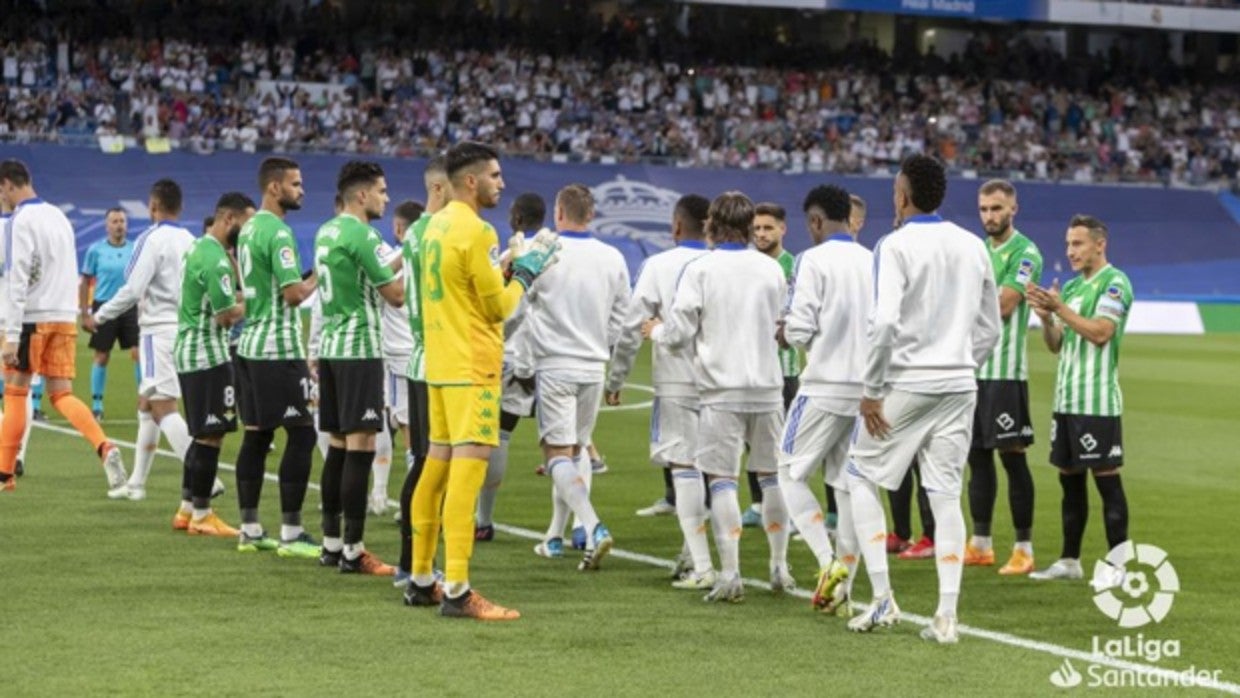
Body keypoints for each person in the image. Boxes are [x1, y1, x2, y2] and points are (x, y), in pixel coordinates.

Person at [847, 154, 1000, 644]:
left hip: (909, 381)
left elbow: (885, 322)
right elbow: (991, 328)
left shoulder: (893, 246)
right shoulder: (973, 245)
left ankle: (882, 600)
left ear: (902, 196)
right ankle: (946, 616)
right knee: (945, 492)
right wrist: (961, 363)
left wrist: (872, 391)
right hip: (959, 383)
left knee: (858, 474)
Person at [407, 141, 557, 620]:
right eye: (494, 175)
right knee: (465, 477)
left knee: (435, 469)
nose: (501, 183)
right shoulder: (477, 229)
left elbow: (466, 288)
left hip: (440, 364)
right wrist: (526, 274)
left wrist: (504, 270)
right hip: (473, 366)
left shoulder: (433, 226)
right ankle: (457, 589)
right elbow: (498, 308)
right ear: (471, 181)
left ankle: (421, 579)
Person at [644, 191, 790, 602]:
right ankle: (779, 567)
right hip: (768, 387)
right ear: (748, 226)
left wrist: (655, 330)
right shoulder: (771, 269)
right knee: (771, 477)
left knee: (723, 480)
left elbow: (678, 333)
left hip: (721, 390)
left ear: (713, 224)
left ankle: (730, 574)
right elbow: (782, 324)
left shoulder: (701, 269)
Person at [0, 159, 126, 494]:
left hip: (32, 318)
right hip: (63, 315)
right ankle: (104, 446)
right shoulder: (59, 217)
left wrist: (11, 334)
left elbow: (17, 276)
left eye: (1, 192)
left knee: (15, 392)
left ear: (8, 185)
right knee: (61, 393)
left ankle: (4, 474)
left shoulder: (19, 221)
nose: (2, 198)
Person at [608, 193, 714, 588]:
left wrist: (616, 378)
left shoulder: (658, 265)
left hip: (677, 379)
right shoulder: (724, 263)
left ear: (676, 225)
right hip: (724, 382)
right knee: (718, 471)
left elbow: (631, 327)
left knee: (684, 467)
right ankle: (750, 564)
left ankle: (698, 561)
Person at [777, 184, 871, 615]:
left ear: (816, 221)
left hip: (823, 385)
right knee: (848, 484)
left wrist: (786, 332)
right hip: (864, 391)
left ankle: (825, 560)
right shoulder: (872, 259)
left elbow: (799, 328)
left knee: (788, 471)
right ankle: (844, 587)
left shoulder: (811, 260)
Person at [526, 184, 627, 571]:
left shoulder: (542, 251)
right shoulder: (612, 257)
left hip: (555, 364)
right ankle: (556, 535)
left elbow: (519, 302)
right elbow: (621, 315)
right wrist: (603, 344)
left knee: (556, 454)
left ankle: (593, 525)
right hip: (593, 366)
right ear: (591, 214)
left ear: (558, 212)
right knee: (577, 450)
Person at [1027, 215, 1132, 582]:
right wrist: (1046, 319)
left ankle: (1118, 567)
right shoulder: (1071, 288)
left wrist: (1060, 310)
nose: (1070, 251)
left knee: (1107, 483)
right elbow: (1057, 344)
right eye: (1068, 244)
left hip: (1097, 403)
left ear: (1099, 244)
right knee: (1069, 483)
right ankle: (1069, 561)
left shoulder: (1114, 283)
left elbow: (1102, 332)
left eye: (1078, 244)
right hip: (1067, 401)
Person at [314, 160, 404, 575]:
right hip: (360, 349)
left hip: (332, 348)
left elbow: (369, 273)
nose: (386, 198)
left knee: (337, 447)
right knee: (361, 447)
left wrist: (402, 257)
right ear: (363, 194)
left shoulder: (328, 231)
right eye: (382, 191)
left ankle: (331, 544)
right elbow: (395, 296)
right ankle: (354, 550)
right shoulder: (364, 235)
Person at [89, 179, 198, 504]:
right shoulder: (191, 240)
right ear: (180, 206)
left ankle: (203, 474)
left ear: (153, 207)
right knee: (147, 404)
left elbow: (133, 290)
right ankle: (136, 483)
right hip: (185, 329)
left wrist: (100, 315)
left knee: (163, 406)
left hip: (156, 330)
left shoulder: (150, 239)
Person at [234, 157, 320, 558]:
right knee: (302, 434)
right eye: (295, 184)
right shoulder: (278, 232)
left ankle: (250, 529)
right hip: (278, 348)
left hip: (249, 345)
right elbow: (293, 295)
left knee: (256, 436)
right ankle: (291, 532)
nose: (301, 190)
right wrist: (318, 275)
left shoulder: (249, 229)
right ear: (274, 187)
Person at [965, 179, 1043, 576]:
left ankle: (1023, 547)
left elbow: (1005, 305)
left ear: (1013, 209)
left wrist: (958, 309)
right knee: (976, 458)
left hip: (1005, 374)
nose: (989, 216)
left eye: (996, 208)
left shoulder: (1026, 252)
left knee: (1012, 459)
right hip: (971, 370)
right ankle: (980, 543)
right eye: (984, 209)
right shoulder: (977, 251)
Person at [174, 193, 254, 537]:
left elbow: (213, 298)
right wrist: (258, 303)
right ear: (229, 219)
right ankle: (203, 515)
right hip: (207, 354)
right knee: (211, 435)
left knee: (201, 434)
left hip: (189, 350)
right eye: (246, 224)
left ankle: (186, 508)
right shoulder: (217, 260)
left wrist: (243, 296)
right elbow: (225, 317)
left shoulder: (198, 248)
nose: (248, 232)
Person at [475, 191, 546, 542]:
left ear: (516, 219)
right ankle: (576, 528)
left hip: (509, 356)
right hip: (550, 358)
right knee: (567, 444)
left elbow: (504, 310)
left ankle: (483, 520)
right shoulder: (556, 254)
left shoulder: (509, 257)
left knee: (494, 436)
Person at [395, 158, 447, 587]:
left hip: (419, 360)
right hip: (440, 364)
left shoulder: (413, 233)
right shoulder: (442, 231)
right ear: (441, 188)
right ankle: (417, 565)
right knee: (433, 465)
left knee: (424, 462)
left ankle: (413, 561)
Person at [742, 202, 800, 528]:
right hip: (751, 366)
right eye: (757, 228)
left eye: (768, 228)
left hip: (784, 369)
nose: (761, 234)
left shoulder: (794, 266)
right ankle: (757, 503)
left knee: (784, 445)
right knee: (751, 440)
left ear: (783, 229)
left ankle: (787, 508)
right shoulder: (748, 266)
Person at [367, 198, 422, 518]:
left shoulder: (391, 261)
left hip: (400, 355)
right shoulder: (433, 256)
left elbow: (377, 290)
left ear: (398, 228)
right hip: (430, 352)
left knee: (408, 430)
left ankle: (414, 504)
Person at [78, 207, 139, 419]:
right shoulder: (96, 250)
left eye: (122, 221)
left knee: (138, 353)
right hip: (104, 305)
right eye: (114, 221)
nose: (119, 225)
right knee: (102, 355)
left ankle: (144, 401)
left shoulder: (135, 249)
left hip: (130, 306)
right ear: (107, 226)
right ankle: (97, 405)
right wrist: (85, 313)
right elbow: (85, 281)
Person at [0, 199, 33, 478]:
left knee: (14, 390)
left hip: (4, 319)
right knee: (23, 388)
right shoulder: (29, 229)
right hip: (24, 318)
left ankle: (6, 449)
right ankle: (18, 454)